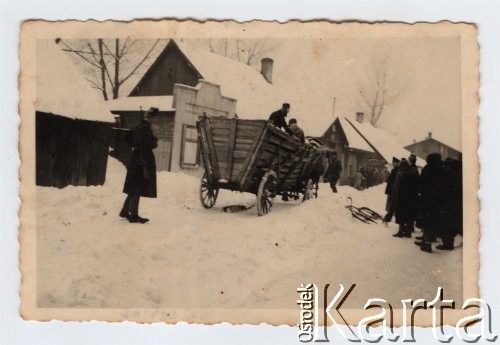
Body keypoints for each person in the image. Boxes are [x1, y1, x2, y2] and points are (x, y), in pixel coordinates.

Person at [120, 107, 159, 223]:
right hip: (142, 161)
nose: (155, 121)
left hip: (135, 159)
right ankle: (133, 215)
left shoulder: (137, 127)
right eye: (155, 118)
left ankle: (125, 211)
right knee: (136, 188)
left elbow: (126, 137)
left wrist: (135, 145)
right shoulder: (146, 128)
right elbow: (151, 144)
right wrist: (154, 140)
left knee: (133, 186)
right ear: (151, 118)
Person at [415, 153, 445, 253]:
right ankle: (426, 239)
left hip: (427, 199)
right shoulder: (442, 168)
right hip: (437, 200)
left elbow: (422, 183)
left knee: (428, 221)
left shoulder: (429, 169)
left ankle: (426, 243)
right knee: (432, 221)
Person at [438, 157, 463, 250]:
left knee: (447, 225)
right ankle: (448, 243)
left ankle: (447, 244)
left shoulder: (451, 177)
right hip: (453, 205)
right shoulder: (458, 176)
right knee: (450, 225)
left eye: (447, 166)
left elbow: (446, 191)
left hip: (448, 205)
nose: (445, 167)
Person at [392, 159, 420, 238]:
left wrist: (395, 193)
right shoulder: (412, 173)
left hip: (401, 197)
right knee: (408, 215)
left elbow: (396, 186)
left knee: (400, 215)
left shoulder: (401, 174)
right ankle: (408, 232)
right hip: (411, 198)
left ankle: (400, 231)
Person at [383, 157, 400, 223]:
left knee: (392, 204)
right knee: (390, 203)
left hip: (393, 189)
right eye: (393, 163)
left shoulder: (397, 170)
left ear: (398, 163)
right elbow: (388, 179)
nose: (393, 164)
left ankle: (388, 217)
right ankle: (388, 216)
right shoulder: (394, 170)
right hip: (391, 189)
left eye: (394, 163)